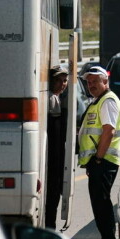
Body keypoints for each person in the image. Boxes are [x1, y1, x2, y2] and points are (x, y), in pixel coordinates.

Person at [77, 66, 120, 239]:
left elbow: (109, 130)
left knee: (101, 201)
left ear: (105, 82)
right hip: (99, 161)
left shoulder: (108, 101)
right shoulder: (99, 101)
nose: (91, 85)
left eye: (96, 81)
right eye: (89, 82)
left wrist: (98, 159)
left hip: (104, 161)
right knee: (99, 201)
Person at [44, 64, 69, 230]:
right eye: (58, 80)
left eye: (65, 80)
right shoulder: (50, 99)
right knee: (52, 191)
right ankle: (49, 226)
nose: (62, 84)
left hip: (58, 155)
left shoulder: (57, 98)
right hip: (51, 156)